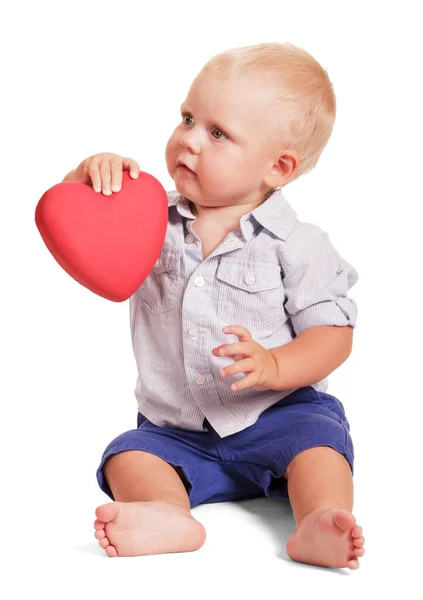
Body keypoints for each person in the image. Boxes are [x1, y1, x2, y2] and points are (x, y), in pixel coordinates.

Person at [62, 42, 365, 568]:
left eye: (217, 133)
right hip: (175, 428)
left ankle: (319, 518)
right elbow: (81, 230)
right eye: (187, 118)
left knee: (322, 445)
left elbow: (332, 333)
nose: (189, 140)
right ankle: (167, 513)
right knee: (126, 456)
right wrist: (90, 179)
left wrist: (276, 366)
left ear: (278, 166)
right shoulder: (149, 221)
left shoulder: (299, 245)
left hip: (277, 415)